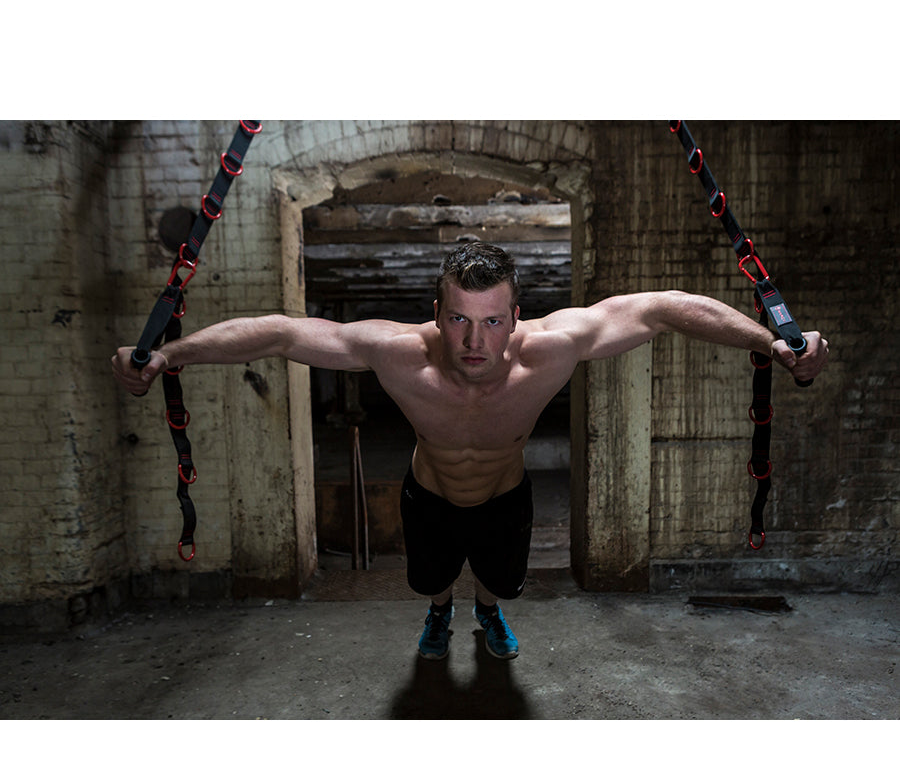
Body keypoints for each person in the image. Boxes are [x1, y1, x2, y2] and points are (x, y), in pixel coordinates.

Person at [112, 243, 829, 661]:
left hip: (506, 496)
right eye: (458, 319)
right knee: (430, 579)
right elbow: (276, 332)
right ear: (437, 314)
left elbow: (663, 307)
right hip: (427, 492)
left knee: (500, 582)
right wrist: (169, 355)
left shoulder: (554, 348)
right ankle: (439, 614)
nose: (474, 341)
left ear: (516, 317)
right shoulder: (395, 353)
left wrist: (773, 342)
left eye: (491, 321)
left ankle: (484, 611)